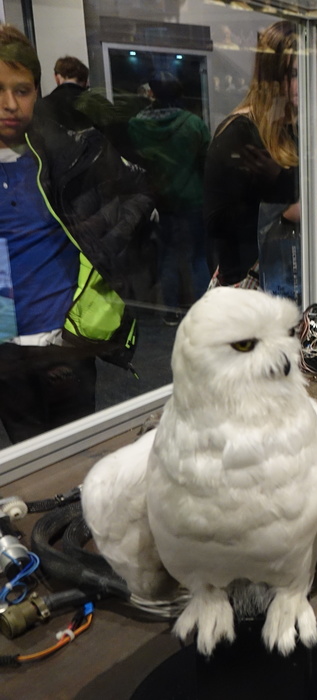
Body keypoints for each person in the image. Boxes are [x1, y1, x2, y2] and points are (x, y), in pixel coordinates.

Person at [0, 25, 155, 443]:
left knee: (76, 456)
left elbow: (139, 191)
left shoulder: (67, 151)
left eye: (22, 90)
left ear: (38, 90)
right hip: (5, 349)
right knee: (28, 461)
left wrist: (104, 242)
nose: (9, 104)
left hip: (65, 340)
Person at [202, 20, 317, 303]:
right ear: (270, 76)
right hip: (263, 297)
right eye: (292, 74)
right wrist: (284, 214)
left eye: (308, 72)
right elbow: (217, 224)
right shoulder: (240, 132)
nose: (302, 84)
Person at [128, 72, 211, 322]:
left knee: (166, 257)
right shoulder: (194, 124)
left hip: (158, 202)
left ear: (152, 93)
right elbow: (207, 163)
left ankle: (170, 311)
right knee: (198, 258)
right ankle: (205, 314)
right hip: (193, 200)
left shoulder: (136, 125)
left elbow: (134, 164)